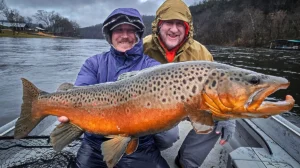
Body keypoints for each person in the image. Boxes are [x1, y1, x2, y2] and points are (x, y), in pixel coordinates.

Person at [58, 8, 179, 168]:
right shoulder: (93, 63)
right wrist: (66, 108)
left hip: (139, 144)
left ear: (138, 35)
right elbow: (80, 91)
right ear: (110, 35)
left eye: (130, 30)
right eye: (119, 30)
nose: (124, 35)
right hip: (94, 143)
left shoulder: (152, 67)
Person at [143, 0, 236, 167]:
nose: (174, 29)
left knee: (219, 116)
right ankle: (147, 148)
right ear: (158, 25)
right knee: (167, 137)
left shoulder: (201, 53)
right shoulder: (142, 47)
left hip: (193, 105)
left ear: (188, 28)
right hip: (155, 108)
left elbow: (219, 89)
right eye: (168, 23)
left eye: (180, 24)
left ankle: (187, 160)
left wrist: (227, 116)